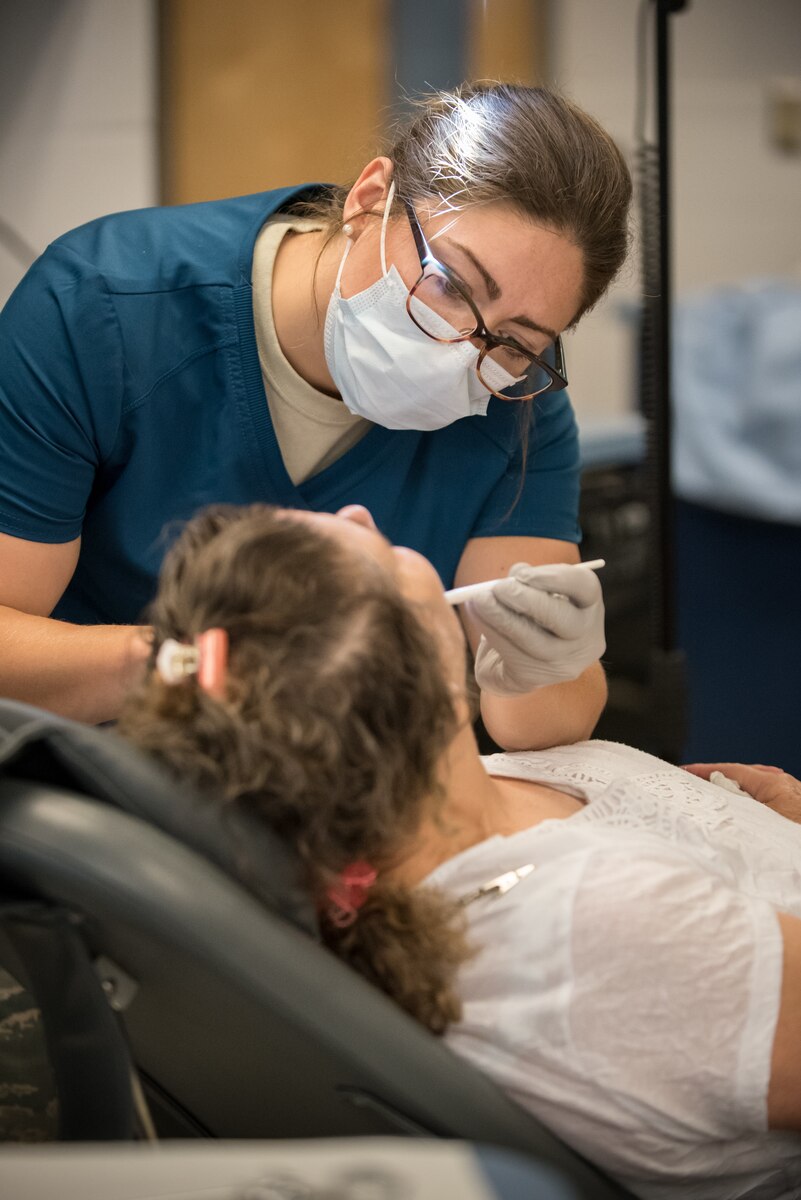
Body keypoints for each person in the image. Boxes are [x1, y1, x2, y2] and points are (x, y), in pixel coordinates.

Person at [118, 502, 801, 1200]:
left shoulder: (412, 821)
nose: (356, 509)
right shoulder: (615, 929)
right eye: (373, 549)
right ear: (439, 687)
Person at [0, 82, 632, 750]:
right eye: (448, 285)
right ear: (367, 200)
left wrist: (545, 668)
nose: (460, 352)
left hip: (352, 802)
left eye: (514, 341)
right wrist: (195, 665)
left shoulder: (515, 406)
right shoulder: (104, 307)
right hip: (100, 774)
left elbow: (537, 729)